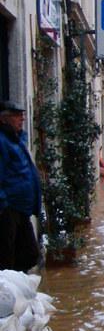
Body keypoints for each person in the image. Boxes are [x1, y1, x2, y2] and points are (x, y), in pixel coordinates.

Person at [0, 101, 41, 272]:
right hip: (9, 209)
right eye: (17, 115)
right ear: (4, 119)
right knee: (6, 257)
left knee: (29, 254)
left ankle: (16, 290)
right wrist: (3, 203)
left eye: (22, 115)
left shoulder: (17, 139)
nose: (22, 118)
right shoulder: (3, 141)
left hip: (21, 208)